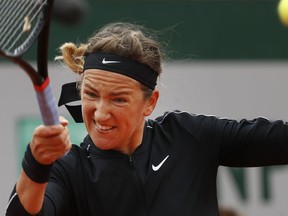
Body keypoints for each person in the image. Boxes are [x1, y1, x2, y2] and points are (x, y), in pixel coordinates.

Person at [5, 22, 288, 216]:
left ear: (149, 103)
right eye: (91, 94)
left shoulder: (187, 136)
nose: (101, 113)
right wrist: (37, 162)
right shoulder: (69, 169)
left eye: (118, 99)